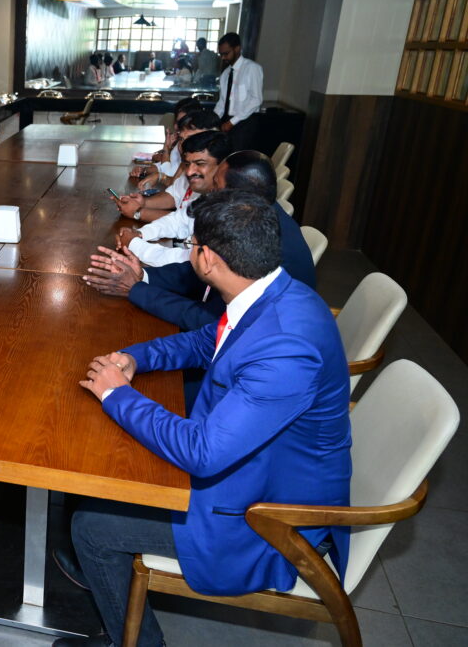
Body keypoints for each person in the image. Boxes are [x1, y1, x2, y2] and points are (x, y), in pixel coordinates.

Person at [62, 192, 351, 647]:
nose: (188, 252)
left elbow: (204, 452)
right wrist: (137, 359)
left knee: (91, 524)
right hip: (257, 468)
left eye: (191, 245)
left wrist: (117, 394)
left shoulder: (286, 348)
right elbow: (205, 343)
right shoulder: (274, 293)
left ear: (207, 258)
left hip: (268, 519)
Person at [85, 150, 317, 332]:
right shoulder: (255, 216)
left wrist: (136, 290)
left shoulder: (263, 244)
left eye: (216, 187)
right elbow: (199, 272)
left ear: (238, 195)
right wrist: (143, 276)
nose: (210, 193)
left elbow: (209, 321)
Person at [116, 131, 230, 268]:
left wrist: (134, 244)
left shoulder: (231, 208)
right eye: (187, 164)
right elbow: (178, 220)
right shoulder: (209, 194)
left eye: (200, 164)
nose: (189, 172)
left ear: (224, 166)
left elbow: (191, 260)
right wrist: (141, 234)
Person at [117, 111, 221, 224]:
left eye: (192, 138)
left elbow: (186, 223)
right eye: (181, 139)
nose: (183, 146)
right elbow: (174, 195)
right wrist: (142, 203)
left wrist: (138, 212)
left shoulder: (221, 178)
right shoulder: (189, 164)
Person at [214, 32, 263, 151]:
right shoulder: (226, 74)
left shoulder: (252, 68)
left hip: (245, 123)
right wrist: (212, 121)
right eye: (221, 54)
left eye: (226, 54)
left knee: (239, 160)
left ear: (237, 49)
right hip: (227, 123)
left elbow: (256, 100)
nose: (223, 58)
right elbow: (222, 102)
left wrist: (232, 122)